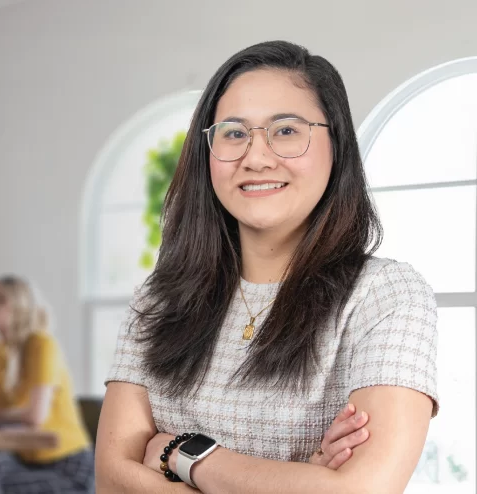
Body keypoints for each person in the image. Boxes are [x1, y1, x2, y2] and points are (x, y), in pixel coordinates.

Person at [97, 40, 438, 494]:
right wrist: (299, 479)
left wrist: (183, 453)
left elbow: (358, 491)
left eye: (286, 131)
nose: (256, 158)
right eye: (234, 133)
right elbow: (112, 481)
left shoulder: (386, 296)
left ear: (336, 144)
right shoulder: (159, 299)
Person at [0, 275, 94, 493]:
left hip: (69, 467)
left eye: (0, 301)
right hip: (27, 462)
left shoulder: (41, 345)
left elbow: (34, 416)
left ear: (21, 308)